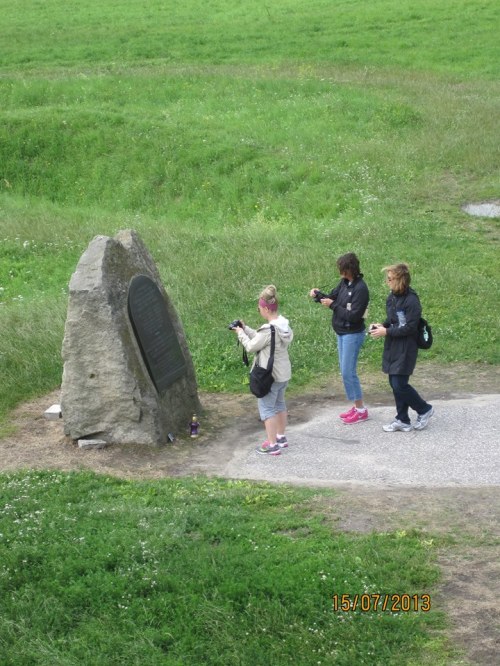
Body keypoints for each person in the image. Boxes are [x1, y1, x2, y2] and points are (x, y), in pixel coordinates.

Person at [369, 263, 434, 432]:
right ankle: (402, 419)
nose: (387, 282)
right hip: (393, 344)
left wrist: (387, 331)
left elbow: (410, 328)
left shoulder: (412, 300)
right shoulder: (392, 297)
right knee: (395, 382)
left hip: (406, 346)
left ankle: (424, 409)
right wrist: (381, 326)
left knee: (399, 383)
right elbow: (392, 320)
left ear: (400, 280)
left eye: (390, 279)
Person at [232, 285, 293, 456]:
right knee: (280, 404)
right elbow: (263, 339)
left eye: (259, 308)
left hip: (270, 376)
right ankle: (281, 437)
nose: (259, 311)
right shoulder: (283, 325)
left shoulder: (269, 330)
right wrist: (246, 328)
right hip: (283, 373)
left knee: (267, 409)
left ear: (266, 308)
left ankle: (272, 444)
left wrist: (240, 333)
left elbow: (252, 346)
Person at [309, 252, 369, 424]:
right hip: (342, 332)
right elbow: (332, 297)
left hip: (353, 333)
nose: (340, 272)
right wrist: (318, 295)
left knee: (348, 372)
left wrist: (333, 305)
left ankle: (361, 410)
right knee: (345, 372)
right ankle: (357, 406)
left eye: (342, 270)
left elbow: (354, 316)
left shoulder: (361, 289)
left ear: (350, 270)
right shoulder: (344, 283)